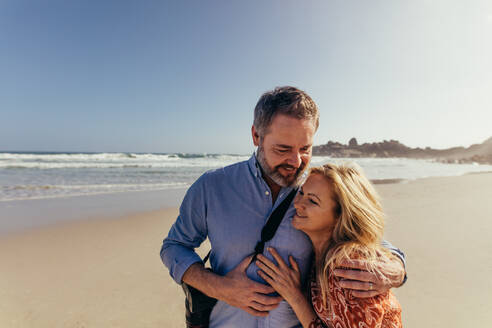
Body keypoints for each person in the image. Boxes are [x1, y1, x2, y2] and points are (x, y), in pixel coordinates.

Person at [160, 86, 406, 327]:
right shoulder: (212, 186)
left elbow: (366, 238)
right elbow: (175, 246)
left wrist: (396, 270)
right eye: (283, 149)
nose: (296, 161)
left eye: (305, 149)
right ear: (256, 136)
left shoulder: (318, 190)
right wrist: (220, 288)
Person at [256, 163, 402, 327]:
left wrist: (296, 298)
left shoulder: (348, 265)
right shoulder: (321, 254)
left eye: (312, 201)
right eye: (301, 193)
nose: (297, 204)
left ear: (340, 216)